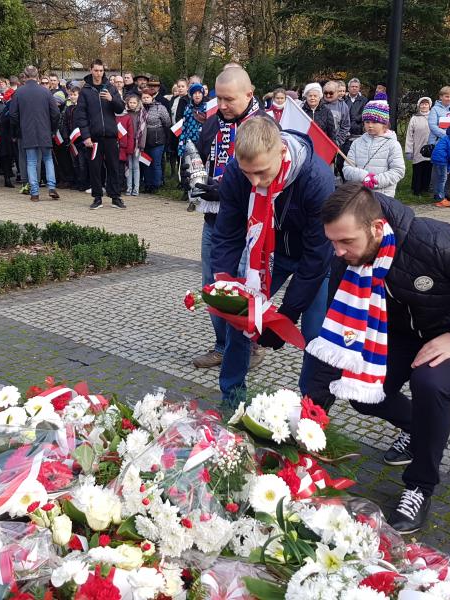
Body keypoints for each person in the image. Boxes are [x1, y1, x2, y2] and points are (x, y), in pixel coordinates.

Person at [306, 182, 450, 533]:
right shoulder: (348, 263)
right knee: (362, 391)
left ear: (377, 227)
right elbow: (340, 340)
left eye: (346, 241)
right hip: (404, 332)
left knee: (430, 382)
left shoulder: (434, 241)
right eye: (332, 241)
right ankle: (417, 428)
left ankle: (420, 487)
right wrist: (308, 422)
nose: (337, 252)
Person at [210, 116, 334, 405]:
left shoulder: (316, 179)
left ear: (281, 152)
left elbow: (317, 256)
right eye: (247, 173)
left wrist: (287, 315)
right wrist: (223, 284)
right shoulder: (235, 174)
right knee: (242, 320)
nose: (255, 182)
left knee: (315, 337)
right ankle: (232, 399)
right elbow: (227, 233)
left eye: (261, 173)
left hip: (311, 258)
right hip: (265, 255)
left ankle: (311, 411)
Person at [186, 67, 266, 371]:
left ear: (249, 93)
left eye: (228, 99)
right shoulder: (212, 124)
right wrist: (194, 176)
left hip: (249, 219)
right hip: (213, 216)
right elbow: (201, 158)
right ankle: (222, 345)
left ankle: (251, 345)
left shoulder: (263, 126)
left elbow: (267, 177)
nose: (221, 105)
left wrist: (229, 188)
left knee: (246, 285)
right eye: (217, 98)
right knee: (213, 284)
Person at [74, 59, 126, 209]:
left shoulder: (110, 87)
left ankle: (115, 197)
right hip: (94, 137)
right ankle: (97, 197)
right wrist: (86, 136)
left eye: (101, 71)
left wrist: (112, 99)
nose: (98, 73)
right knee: (95, 168)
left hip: (110, 135)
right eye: (96, 70)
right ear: (91, 70)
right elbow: (81, 115)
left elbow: (120, 108)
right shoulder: (85, 90)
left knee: (114, 167)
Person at [9, 65, 61, 202]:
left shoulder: (19, 92)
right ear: (37, 77)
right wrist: (52, 129)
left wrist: (19, 129)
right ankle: (51, 187)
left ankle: (35, 192)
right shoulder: (46, 92)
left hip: (27, 131)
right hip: (45, 130)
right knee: (48, 159)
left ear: (24, 77)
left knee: (31, 162)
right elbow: (56, 113)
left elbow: (13, 115)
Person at [343, 94, 405, 196]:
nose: (370, 125)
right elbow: (347, 169)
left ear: (384, 123)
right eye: (367, 122)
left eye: (375, 122)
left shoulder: (393, 144)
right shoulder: (357, 143)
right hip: (359, 195)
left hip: (382, 197)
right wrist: (364, 177)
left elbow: (398, 171)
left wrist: (375, 181)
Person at [140, 88, 171, 193]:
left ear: (152, 97)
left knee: (156, 163)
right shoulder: (140, 108)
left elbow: (167, 122)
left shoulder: (160, 108)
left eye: (147, 97)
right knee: (146, 163)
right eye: (143, 97)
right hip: (144, 141)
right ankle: (148, 184)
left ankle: (156, 184)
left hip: (157, 140)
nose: (145, 99)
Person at [404, 97, 432, 196]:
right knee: (418, 169)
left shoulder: (433, 117)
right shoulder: (414, 118)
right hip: (417, 147)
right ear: (419, 105)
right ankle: (416, 189)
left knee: (428, 168)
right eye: (422, 104)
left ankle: (425, 188)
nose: (424, 106)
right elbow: (409, 135)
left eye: (426, 104)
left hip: (430, 147)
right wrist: (409, 150)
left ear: (429, 105)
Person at [124, 93, 144, 196]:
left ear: (137, 103)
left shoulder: (142, 113)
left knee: (136, 166)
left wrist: (142, 144)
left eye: (134, 103)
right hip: (127, 143)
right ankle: (129, 187)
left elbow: (143, 131)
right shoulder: (125, 113)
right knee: (129, 165)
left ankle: (136, 189)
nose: (132, 104)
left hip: (137, 144)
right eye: (130, 102)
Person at [323, 80, 351, 148]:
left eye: (331, 93)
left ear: (337, 92)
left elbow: (345, 127)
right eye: (325, 93)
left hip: (333, 146)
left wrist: (337, 142)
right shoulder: (317, 103)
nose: (328, 95)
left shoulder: (343, 106)